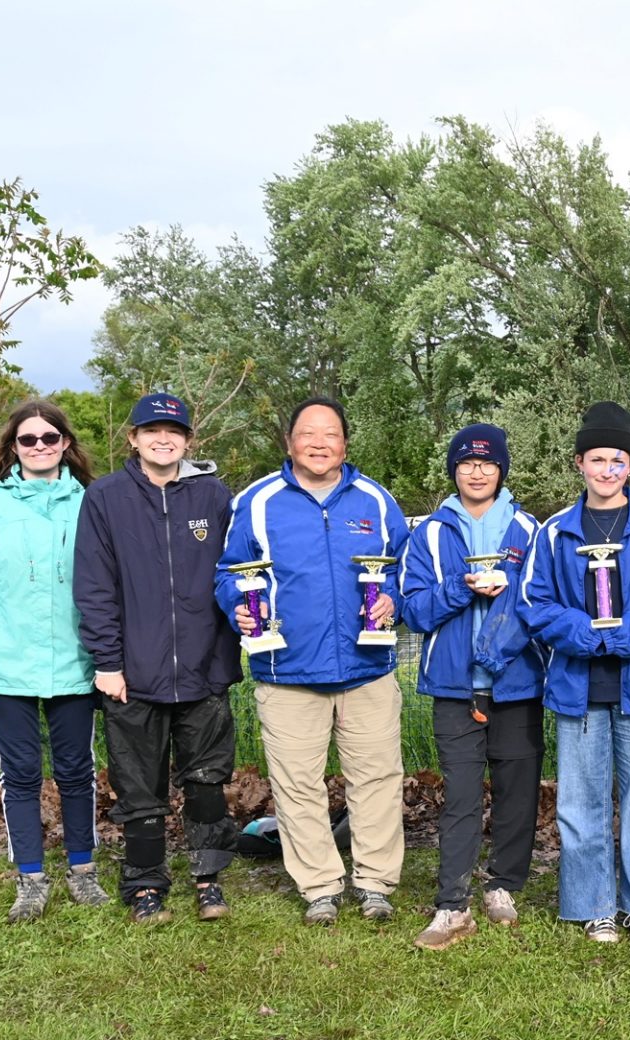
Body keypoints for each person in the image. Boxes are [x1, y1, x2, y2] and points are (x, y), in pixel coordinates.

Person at [213, 397, 411, 926]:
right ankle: (320, 886)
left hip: (367, 669)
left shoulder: (375, 500)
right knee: (297, 785)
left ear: (345, 442)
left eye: (330, 434)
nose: (319, 443)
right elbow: (229, 573)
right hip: (287, 673)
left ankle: (375, 884)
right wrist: (240, 608)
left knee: (376, 779)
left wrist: (395, 598)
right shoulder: (256, 502)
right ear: (289, 442)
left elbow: (406, 570)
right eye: (307, 433)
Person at [518, 403, 630, 944]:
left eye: (616, 460)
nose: (606, 470)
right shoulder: (554, 533)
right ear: (579, 463)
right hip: (579, 688)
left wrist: (624, 634)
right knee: (581, 803)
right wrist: (585, 633)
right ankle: (593, 905)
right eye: (596, 459)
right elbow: (534, 604)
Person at [73, 392, 242, 925]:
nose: (162, 438)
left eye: (173, 431)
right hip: (133, 676)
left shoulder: (214, 496)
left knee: (207, 783)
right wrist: (108, 662)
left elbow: (240, 576)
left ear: (188, 441)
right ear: (133, 438)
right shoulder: (105, 498)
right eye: (151, 430)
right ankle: (145, 885)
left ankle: (208, 878)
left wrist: (229, 649)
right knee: (139, 790)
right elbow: (94, 586)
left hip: (204, 671)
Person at [0, 400, 104, 924]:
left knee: (77, 773)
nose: (39, 446)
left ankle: (84, 873)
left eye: (49, 437)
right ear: (12, 447)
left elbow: (109, 591)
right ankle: (31, 881)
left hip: (75, 666)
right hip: (7, 669)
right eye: (27, 439)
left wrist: (109, 661)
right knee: (20, 776)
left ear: (66, 443)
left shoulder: (91, 503)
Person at [400, 423, 546, 950]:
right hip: (454, 684)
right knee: (460, 795)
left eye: (487, 462)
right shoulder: (431, 533)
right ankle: (451, 903)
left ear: (501, 469)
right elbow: (414, 611)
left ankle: (504, 885)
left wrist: (514, 600)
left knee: (517, 793)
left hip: (518, 681)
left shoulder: (530, 530)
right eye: (466, 463)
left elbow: (546, 602)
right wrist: (459, 590)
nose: (477, 471)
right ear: (454, 470)